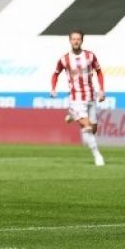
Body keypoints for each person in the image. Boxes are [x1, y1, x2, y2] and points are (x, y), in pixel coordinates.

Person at [50, 29, 105, 166]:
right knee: (86, 127)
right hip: (76, 98)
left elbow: (99, 72)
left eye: (78, 39)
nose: (76, 41)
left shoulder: (90, 56)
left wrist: (102, 90)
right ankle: (97, 155)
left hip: (91, 96)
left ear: (82, 40)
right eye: (73, 39)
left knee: (93, 129)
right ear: (70, 40)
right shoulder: (64, 59)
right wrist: (53, 88)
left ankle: (73, 115)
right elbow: (55, 74)